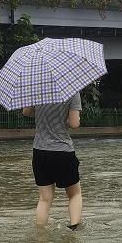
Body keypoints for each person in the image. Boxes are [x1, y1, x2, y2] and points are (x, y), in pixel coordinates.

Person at [22, 93, 82, 230]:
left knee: (44, 199)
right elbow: (74, 124)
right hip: (63, 151)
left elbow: (26, 112)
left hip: (40, 152)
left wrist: (43, 113)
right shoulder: (72, 91)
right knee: (74, 194)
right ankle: (74, 234)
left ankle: (41, 238)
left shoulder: (36, 87)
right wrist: (64, 116)